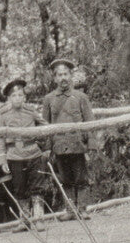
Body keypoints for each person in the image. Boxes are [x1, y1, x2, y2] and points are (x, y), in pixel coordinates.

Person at [42, 58, 98, 221]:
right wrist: (47, 147)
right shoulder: (49, 99)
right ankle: (70, 210)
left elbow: (90, 121)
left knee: (81, 178)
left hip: (77, 144)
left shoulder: (80, 97)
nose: (63, 78)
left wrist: (91, 144)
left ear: (71, 76)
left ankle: (82, 209)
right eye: (59, 75)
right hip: (59, 145)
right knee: (65, 179)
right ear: (54, 78)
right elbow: (45, 125)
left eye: (65, 74)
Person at [0, 78, 47, 231]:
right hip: (15, 156)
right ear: (9, 98)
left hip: (33, 154)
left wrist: (41, 141)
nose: (17, 98)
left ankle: (39, 219)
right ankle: (24, 220)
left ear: (24, 97)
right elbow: (0, 137)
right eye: (14, 96)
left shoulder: (31, 111)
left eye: (20, 95)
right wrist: (2, 159)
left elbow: (44, 126)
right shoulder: (3, 114)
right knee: (19, 188)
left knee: (37, 187)